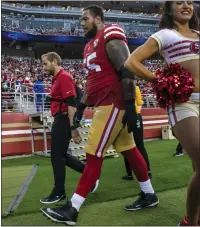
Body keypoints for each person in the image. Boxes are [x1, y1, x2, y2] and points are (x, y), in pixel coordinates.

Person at [41, 6, 159, 225]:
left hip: (113, 103)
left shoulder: (110, 33)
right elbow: (93, 82)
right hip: (103, 103)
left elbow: (127, 69)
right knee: (130, 150)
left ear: (97, 18)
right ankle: (149, 194)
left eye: (85, 18)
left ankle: (72, 208)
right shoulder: (88, 46)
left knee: (94, 153)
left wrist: (131, 107)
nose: (81, 22)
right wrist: (82, 105)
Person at [124, 2, 199, 226]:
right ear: (169, 9)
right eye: (179, 2)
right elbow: (131, 61)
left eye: (189, 1)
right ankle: (189, 223)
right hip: (184, 105)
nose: (185, 5)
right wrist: (160, 80)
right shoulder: (164, 35)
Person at [40, 52, 98, 204]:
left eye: (45, 63)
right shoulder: (57, 78)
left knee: (57, 156)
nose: (43, 67)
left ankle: (59, 192)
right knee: (61, 155)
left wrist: (73, 128)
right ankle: (90, 176)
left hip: (64, 119)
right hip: (60, 119)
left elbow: (71, 104)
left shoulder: (64, 77)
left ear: (54, 61)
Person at [122, 85, 152, 180]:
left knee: (126, 146)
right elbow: (139, 103)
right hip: (135, 115)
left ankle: (130, 173)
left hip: (125, 117)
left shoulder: (119, 87)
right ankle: (147, 171)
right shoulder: (135, 87)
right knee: (138, 145)